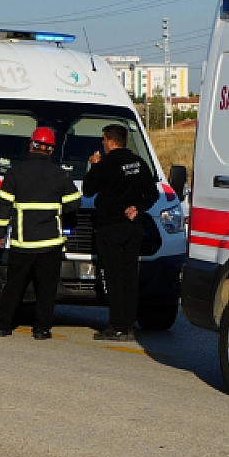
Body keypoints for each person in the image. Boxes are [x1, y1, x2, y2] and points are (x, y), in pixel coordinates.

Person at [0, 127, 80, 340]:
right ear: (51, 150)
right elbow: (74, 203)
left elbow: (3, 206)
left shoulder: (15, 172)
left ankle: (3, 326)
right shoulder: (61, 174)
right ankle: (41, 329)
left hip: (23, 242)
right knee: (47, 289)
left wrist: (0, 231)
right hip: (51, 243)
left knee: (14, 286)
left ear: (31, 145)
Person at [81, 123, 159, 341]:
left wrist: (94, 166)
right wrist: (139, 208)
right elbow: (152, 193)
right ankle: (129, 324)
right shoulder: (138, 163)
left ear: (111, 141)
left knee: (114, 277)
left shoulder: (106, 164)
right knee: (129, 276)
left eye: (104, 140)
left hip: (110, 226)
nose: (103, 144)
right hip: (133, 227)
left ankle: (116, 326)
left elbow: (88, 189)